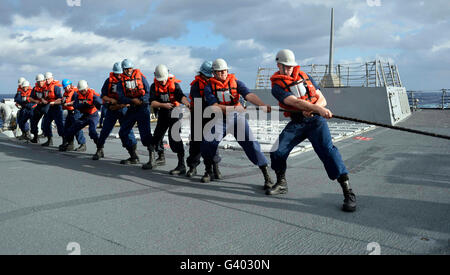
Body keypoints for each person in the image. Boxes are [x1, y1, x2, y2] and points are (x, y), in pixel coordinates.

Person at [267, 49, 356, 212]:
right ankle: (281, 183)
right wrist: (313, 108)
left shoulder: (305, 77)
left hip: (316, 121)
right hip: (298, 122)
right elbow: (294, 102)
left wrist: (317, 109)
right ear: (278, 65)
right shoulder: (276, 87)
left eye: (290, 66)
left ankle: (348, 192)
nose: (288, 69)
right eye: (284, 66)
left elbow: (322, 98)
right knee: (277, 151)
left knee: (329, 152)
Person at [200, 58, 274, 187]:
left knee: (251, 144)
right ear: (214, 73)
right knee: (208, 143)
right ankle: (209, 170)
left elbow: (249, 95)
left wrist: (262, 105)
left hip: (236, 119)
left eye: (224, 71)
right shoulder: (209, 87)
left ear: (227, 70)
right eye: (219, 71)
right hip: (219, 119)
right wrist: (233, 108)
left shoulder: (236, 83)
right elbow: (214, 106)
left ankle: (266, 174)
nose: (223, 73)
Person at [143, 64, 190, 175]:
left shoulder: (175, 85)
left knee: (174, 139)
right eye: (160, 80)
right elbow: (153, 102)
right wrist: (163, 105)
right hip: (163, 113)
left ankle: (181, 165)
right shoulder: (154, 86)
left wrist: (187, 103)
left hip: (175, 114)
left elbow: (181, 96)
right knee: (156, 137)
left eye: (164, 80)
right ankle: (154, 159)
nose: (162, 82)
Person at [92, 62, 137, 163]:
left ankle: (133, 155)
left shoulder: (129, 81)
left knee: (128, 132)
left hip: (124, 109)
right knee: (105, 130)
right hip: (112, 109)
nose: (118, 75)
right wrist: (110, 101)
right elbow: (103, 95)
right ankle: (99, 150)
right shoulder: (109, 81)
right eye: (116, 74)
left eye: (119, 73)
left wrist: (121, 105)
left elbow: (132, 98)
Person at [185, 61, 221, 178]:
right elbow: (198, 102)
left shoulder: (216, 84)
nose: (209, 78)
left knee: (212, 143)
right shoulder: (196, 85)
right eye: (207, 76)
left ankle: (214, 168)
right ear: (202, 74)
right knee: (195, 143)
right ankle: (193, 167)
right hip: (198, 115)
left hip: (213, 116)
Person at [116, 59, 153, 167]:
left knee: (145, 135)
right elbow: (121, 96)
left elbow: (148, 92)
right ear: (123, 70)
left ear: (133, 68)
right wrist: (131, 101)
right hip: (132, 108)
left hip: (143, 108)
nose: (128, 71)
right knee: (123, 132)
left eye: (130, 68)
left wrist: (141, 101)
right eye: (126, 69)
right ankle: (133, 156)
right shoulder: (120, 82)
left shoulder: (141, 77)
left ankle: (152, 159)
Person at [60, 80, 102, 151]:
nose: (83, 92)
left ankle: (99, 149)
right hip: (84, 115)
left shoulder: (92, 94)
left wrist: (91, 104)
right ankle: (70, 144)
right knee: (71, 129)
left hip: (92, 115)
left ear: (87, 87)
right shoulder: (78, 95)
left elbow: (99, 103)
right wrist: (82, 105)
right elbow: (76, 104)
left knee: (92, 132)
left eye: (84, 90)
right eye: (82, 91)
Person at [59, 79, 87, 152]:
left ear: (70, 85)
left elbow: (77, 101)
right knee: (67, 128)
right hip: (70, 112)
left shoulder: (75, 92)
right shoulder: (65, 93)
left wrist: (67, 104)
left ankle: (82, 144)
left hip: (76, 112)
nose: (66, 88)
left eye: (66, 87)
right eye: (64, 87)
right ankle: (70, 144)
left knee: (77, 127)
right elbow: (63, 100)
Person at [40, 72, 65, 147]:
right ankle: (49, 140)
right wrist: (43, 100)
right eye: (46, 79)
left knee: (59, 124)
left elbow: (60, 98)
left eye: (48, 79)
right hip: (49, 108)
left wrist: (53, 102)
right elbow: (42, 96)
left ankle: (64, 141)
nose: (47, 80)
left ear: (52, 78)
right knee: (46, 123)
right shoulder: (44, 87)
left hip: (56, 108)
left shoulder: (56, 87)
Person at [29, 74, 49, 143]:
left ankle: (49, 139)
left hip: (47, 106)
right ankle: (35, 137)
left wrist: (45, 101)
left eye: (41, 81)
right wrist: (35, 101)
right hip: (39, 106)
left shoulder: (48, 88)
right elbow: (30, 98)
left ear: (44, 81)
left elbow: (53, 97)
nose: (40, 83)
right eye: (38, 81)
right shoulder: (35, 88)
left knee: (46, 121)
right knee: (33, 120)